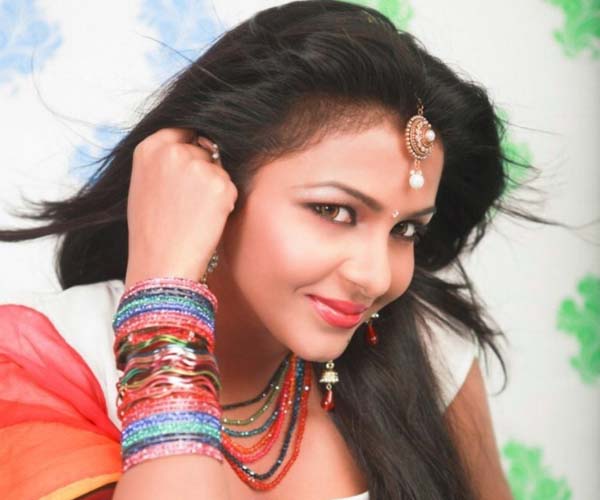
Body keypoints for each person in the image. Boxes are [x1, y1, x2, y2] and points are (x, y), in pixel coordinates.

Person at [0, 1, 557, 498]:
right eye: (334, 211)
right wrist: (164, 295)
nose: (374, 276)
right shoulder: (38, 363)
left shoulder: (427, 350)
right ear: (211, 182)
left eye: (406, 230)